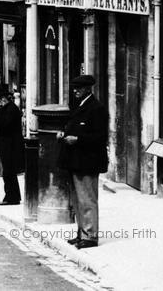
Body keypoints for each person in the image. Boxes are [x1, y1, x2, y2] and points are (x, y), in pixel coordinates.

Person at [57, 75, 108, 249]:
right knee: (78, 200)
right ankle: (82, 233)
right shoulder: (79, 106)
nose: (75, 91)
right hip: (76, 160)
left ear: (88, 89)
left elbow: (100, 137)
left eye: (78, 88)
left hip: (88, 161)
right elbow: (73, 126)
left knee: (87, 199)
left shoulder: (97, 108)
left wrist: (77, 139)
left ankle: (90, 236)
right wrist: (64, 134)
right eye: (74, 88)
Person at [0, 84, 24, 205]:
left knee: (9, 172)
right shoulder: (5, 109)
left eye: (0, 98)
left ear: (5, 98)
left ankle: (12, 197)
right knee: (7, 172)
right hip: (5, 144)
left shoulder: (12, 109)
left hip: (12, 145)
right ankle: (11, 196)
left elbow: (4, 124)